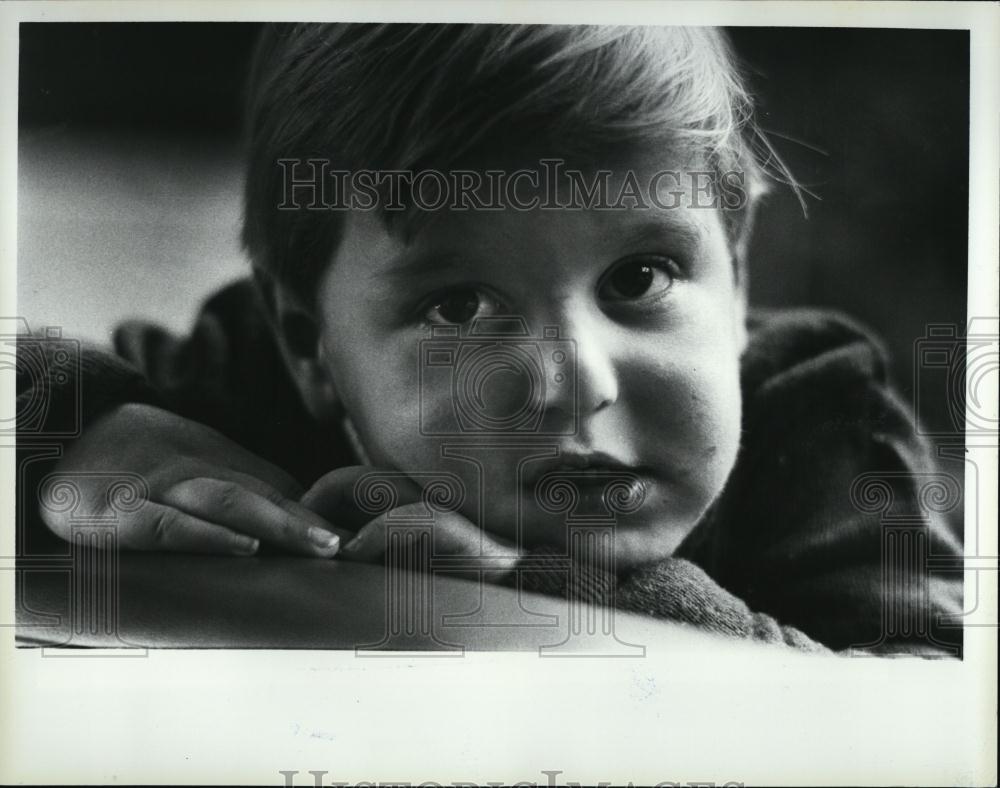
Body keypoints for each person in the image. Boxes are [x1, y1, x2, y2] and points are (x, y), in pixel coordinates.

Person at [16, 23, 963, 655]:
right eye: (462, 307)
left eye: (639, 278)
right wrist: (75, 430)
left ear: (739, 272)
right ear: (310, 343)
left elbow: (922, 714)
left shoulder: (822, 416)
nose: (576, 381)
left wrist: (535, 593)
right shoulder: (246, 372)